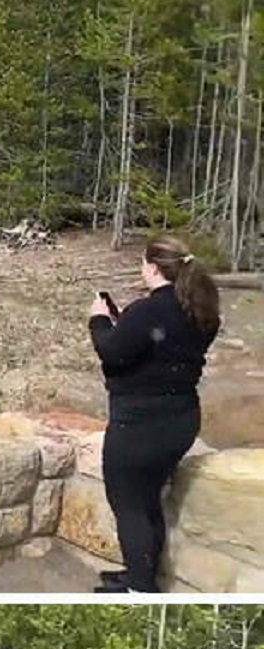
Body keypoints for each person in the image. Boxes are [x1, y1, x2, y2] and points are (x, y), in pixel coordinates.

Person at [87, 237, 221, 594]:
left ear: (153, 267)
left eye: (142, 264)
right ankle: (139, 575)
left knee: (130, 506)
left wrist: (99, 321)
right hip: (180, 419)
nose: (140, 270)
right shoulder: (200, 309)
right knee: (149, 501)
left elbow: (113, 352)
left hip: (139, 424)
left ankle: (140, 591)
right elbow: (157, 348)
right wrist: (125, 323)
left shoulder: (148, 311)